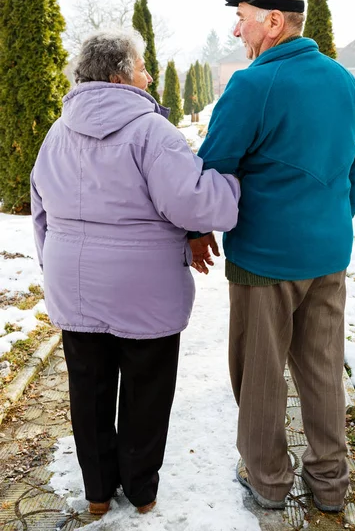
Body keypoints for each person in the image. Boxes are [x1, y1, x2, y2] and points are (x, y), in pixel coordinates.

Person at [30, 29, 240, 516]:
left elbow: (41, 211)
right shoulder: (152, 133)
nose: (149, 76)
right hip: (144, 289)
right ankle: (141, 491)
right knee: (147, 387)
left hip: (74, 286)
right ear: (117, 76)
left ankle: (99, 492)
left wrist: (55, 264)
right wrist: (229, 184)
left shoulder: (56, 133)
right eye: (143, 67)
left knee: (88, 387)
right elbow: (189, 202)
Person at [189, 0, 355, 513]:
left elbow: (211, 169)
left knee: (261, 374)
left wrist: (198, 229)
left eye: (242, 15)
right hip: (328, 255)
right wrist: (332, 220)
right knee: (321, 369)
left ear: (273, 21)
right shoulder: (343, 81)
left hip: (265, 260)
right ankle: (330, 484)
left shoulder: (251, 85)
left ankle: (269, 483)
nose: (236, 26)